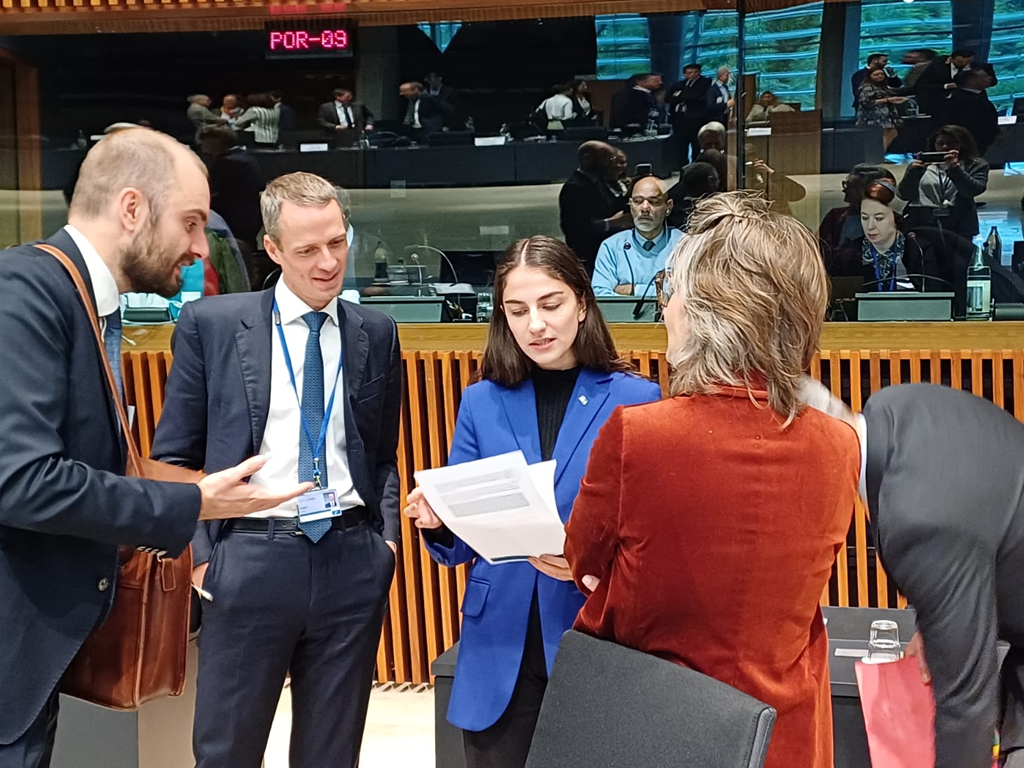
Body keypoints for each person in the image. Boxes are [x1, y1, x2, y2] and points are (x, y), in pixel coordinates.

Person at [0, 128, 308, 767]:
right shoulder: (25, 292)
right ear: (132, 209)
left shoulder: (81, 300)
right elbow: (22, 480)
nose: (200, 248)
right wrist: (189, 502)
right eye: (192, 223)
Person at [564, 191, 861, 768]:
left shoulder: (638, 435)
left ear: (710, 311)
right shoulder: (838, 443)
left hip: (658, 730)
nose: (665, 308)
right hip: (786, 735)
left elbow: (585, 567)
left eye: (671, 291)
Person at [150, 171, 401, 768]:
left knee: (331, 755)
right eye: (308, 249)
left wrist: (384, 544)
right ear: (271, 249)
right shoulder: (212, 326)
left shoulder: (376, 331)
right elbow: (173, 456)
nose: (327, 262)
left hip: (350, 560)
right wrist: (203, 556)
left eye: (337, 243)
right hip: (248, 558)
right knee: (227, 751)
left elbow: (382, 453)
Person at [403, 236, 661, 768]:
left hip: (592, 630)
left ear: (582, 304)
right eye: (517, 310)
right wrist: (438, 519)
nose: (535, 325)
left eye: (551, 304)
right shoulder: (481, 401)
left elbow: (653, 534)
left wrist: (589, 563)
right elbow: (457, 541)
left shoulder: (637, 399)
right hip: (499, 640)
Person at [801, 381, 1024, 768]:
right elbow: (971, 500)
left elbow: (967, 706)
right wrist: (936, 618)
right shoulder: (894, 406)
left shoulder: (918, 519)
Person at [828, 180, 939, 292]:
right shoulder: (848, 254)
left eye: (879, 218)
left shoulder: (918, 249)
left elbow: (934, 296)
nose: (870, 226)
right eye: (865, 218)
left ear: (896, 218)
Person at [898, 124, 989, 245]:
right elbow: (904, 194)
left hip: (959, 224)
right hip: (922, 223)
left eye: (952, 143)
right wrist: (913, 174)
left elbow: (973, 190)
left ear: (963, 144)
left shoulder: (975, 164)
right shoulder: (921, 165)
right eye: (940, 143)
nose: (945, 147)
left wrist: (955, 169)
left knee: (957, 262)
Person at [592, 175, 682, 297]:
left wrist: (635, 290)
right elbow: (600, 295)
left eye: (654, 202)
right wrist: (663, 292)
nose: (645, 208)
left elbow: (690, 294)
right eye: (638, 201)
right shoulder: (612, 247)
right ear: (630, 205)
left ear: (668, 207)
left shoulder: (685, 245)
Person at [558, 141, 631, 275]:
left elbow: (612, 207)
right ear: (588, 159)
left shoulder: (600, 182)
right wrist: (611, 223)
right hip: (588, 258)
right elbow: (575, 229)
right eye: (608, 159)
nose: (613, 164)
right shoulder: (574, 188)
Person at [199, 125, 266, 254]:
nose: (202, 145)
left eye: (205, 141)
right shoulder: (244, 156)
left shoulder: (227, 162)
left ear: (217, 141)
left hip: (233, 220)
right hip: (250, 217)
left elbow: (217, 194)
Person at [818, 164, 895, 259]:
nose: (844, 190)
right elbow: (821, 249)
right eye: (845, 184)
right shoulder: (834, 216)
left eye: (851, 186)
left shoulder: (893, 220)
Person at [334, 185, 393, 290]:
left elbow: (387, 286)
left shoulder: (374, 245)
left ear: (346, 214)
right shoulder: (313, 245)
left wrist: (362, 291)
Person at [943, 69, 999, 155]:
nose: (990, 78)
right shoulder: (960, 99)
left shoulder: (978, 96)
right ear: (972, 80)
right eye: (984, 76)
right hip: (972, 142)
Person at [667, 64, 712, 163]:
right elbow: (668, 98)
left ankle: (696, 163)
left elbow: (695, 96)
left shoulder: (704, 82)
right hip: (679, 119)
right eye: (689, 73)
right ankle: (682, 165)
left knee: (696, 144)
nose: (692, 75)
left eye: (695, 72)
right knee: (681, 145)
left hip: (696, 119)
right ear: (685, 74)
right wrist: (682, 96)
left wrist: (679, 95)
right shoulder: (679, 84)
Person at [856, 68, 909, 151]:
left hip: (886, 115)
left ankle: (881, 153)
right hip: (874, 116)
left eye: (882, 74)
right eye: (876, 75)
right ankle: (879, 154)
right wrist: (887, 100)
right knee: (884, 134)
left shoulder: (882, 87)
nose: (880, 76)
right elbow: (865, 102)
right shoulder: (867, 87)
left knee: (892, 132)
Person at [666, 160, 720, 229]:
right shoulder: (714, 214)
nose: (719, 183)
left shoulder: (671, 213)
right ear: (711, 181)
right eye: (717, 179)